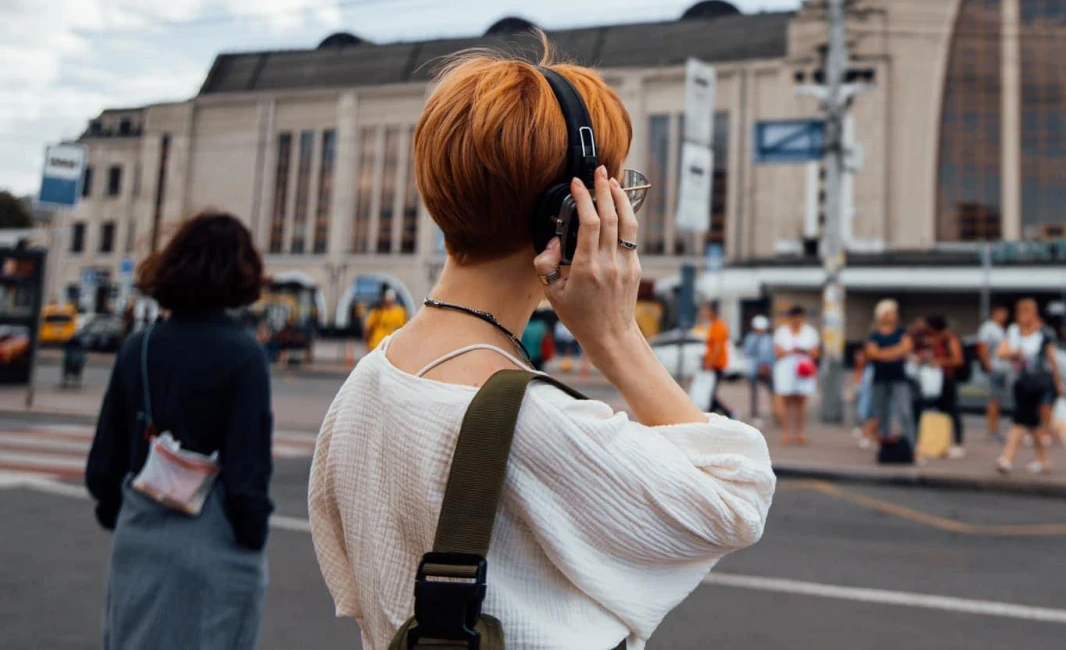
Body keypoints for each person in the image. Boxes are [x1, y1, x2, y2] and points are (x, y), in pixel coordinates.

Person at [309, 50, 774, 649]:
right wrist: (616, 336)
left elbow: (352, 589)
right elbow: (738, 494)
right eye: (617, 191)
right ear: (572, 214)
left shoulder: (369, 381)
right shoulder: (533, 423)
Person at [86, 211, 274, 650]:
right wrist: (250, 537)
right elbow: (248, 469)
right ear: (240, 272)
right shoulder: (245, 355)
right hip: (216, 548)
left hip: (139, 541)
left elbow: (102, 464)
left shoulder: (140, 346)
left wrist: (121, 515)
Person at [996, 298, 1062, 474]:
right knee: (1031, 425)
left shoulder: (1044, 333)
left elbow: (1051, 359)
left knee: (1020, 421)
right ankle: (1043, 460)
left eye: (1028, 312)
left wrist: (1058, 382)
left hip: (1040, 382)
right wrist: (1014, 353)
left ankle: (1007, 458)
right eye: (1022, 312)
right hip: (1022, 383)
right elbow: (1001, 352)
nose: (1024, 316)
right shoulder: (1014, 332)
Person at [863, 299, 914, 449]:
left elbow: (905, 348)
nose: (889, 316)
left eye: (892, 312)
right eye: (886, 313)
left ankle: (910, 445)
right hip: (880, 378)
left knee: (904, 411)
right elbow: (872, 353)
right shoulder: (874, 335)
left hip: (899, 377)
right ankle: (886, 444)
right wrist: (894, 352)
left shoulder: (902, 333)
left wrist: (883, 353)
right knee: (882, 413)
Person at [772, 305, 821, 446]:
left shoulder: (810, 332)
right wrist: (790, 351)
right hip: (786, 369)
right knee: (785, 400)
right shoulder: (782, 332)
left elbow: (816, 353)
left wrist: (803, 350)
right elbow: (777, 352)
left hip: (803, 369)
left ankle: (800, 431)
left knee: (801, 402)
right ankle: (786, 431)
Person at [925, 314, 966, 458]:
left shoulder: (950, 338)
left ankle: (958, 443)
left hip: (947, 378)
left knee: (952, 410)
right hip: (934, 380)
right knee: (938, 411)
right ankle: (940, 442)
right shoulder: (935, 339)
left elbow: (957, 359)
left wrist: (940, 361)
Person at [977, 304, 1010, 441]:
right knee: (994, 400)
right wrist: (988, 365)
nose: (1005, 317)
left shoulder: (1001, 329)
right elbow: (982, 347)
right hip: (995, 368)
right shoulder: (988, 328)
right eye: (1002, 313)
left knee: (997, 401)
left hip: (1002, 369)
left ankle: (995, 429)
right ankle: (991, 431)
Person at [699, 302, 734, 419]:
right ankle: (715, 414)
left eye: (706, 310)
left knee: (710, 393)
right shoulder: (713, 325)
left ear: (712, 311)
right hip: (712, 364)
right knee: (710, 393)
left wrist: (709, 364)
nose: (703, 312)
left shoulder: (719, 326)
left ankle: (728, 414)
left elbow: (717, 347)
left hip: (716, 365)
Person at [741, 314, 776, 426]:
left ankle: (776, 413)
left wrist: (768, 366)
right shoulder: (751, 338)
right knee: (754, 394)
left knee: (773, 391)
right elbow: (747, 352)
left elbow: (771, 354)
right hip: (753, 370)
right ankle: (754, 415)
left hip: (767, 369)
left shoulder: (768, 338)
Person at [362, 288, 406, 352]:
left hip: (390, 345)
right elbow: (367, 327)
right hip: (377, 344)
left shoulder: (399, 312)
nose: (389, 303)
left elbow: (401, 329)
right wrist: (367, 341)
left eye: (391, 301)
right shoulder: (377, 311)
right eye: (388, 300)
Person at [520, 304, 559, 371]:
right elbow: (546, 339)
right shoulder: (542, 325)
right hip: (539, 355)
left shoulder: (523, 326)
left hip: (525, 356)